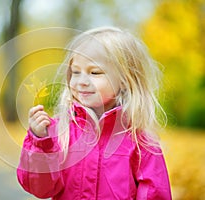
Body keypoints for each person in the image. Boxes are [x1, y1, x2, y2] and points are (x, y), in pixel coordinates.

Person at [17, 26, 172, 199]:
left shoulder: (139, 139)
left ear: (124, 79)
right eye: (76, 72)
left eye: (95, 72)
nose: (82, 81)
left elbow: (155, 193)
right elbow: (40, 189)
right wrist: (40, 143)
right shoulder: (58, 131)